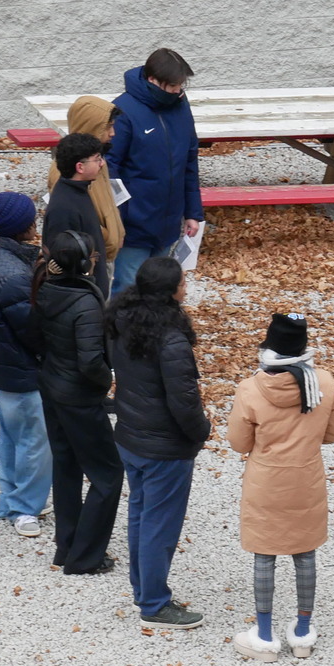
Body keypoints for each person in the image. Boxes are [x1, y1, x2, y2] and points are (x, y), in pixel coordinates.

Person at [227, 313, 334, 662]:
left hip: (266, 482)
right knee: (304, 552)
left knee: (265, 555)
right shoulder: (323, 382)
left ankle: (264, 635)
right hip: (306, 479)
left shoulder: (251, 388)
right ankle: (303, 633)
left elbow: (238, 442)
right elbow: (333, 433)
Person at [103, 256, 210, 628]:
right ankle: (153, 602)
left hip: (131, 436)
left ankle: (143, 589)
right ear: (170, 290)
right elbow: (184, 401)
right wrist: (202, 431)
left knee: (141, 515)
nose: (186, 286)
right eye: (183, 282)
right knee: (159, 525)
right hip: (163, 447)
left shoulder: (121, 317)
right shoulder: (171, 339)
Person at [34, 231, 123, 575]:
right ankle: (85, 557)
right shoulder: (85, 303)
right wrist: (106, 381)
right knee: (109, 475)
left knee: (66, 467)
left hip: (52, 388)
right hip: (79, 397)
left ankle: (67, 546)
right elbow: (90, 362)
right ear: (85, 264)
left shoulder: (44, 287)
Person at [0, 191, 50, 539]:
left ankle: (10, 500)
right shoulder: (14, 276)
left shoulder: (1, 260)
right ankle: (25, 508)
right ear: (25, 226)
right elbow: (32, 330)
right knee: (34, 440)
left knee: (11, 435)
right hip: (23, 370)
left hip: (5, 368)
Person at [106, 48, 204, 294]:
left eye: (181, 85)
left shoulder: (180, 106)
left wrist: (192, 212)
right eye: (172, 85)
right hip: (134, 226)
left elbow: (189, 161)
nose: (177, 91)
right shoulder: (123, 111)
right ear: (152, 80)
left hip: (168, 223)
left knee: (160, 290)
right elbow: (110, 170)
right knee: (128, 290)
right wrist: (119, 221)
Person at [45, 95, 124, 263]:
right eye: (108, 127)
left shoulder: (95, 160)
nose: (113, 133)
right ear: (91, 127)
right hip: (89, 258)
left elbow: (107, 202)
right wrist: (108, 237)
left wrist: (118, 232)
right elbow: (72, 218)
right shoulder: (64, 169)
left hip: (103, 252)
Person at [44, 131, 112, 294]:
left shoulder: (78, 191)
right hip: (81, 298)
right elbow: (63, 262)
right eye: (97, 159)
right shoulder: (63, 208)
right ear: (80, 167)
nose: (102, 163)